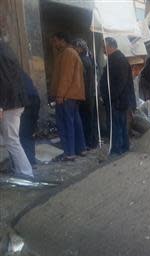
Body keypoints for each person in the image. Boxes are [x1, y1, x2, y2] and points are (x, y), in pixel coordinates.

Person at [50, 32, 87, 161]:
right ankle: (80, 148)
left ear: (62, 40)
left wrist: (60, 94)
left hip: (66, 96)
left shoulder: (67, 54)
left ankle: (69, 152)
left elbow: (65, 77)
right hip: (72, 95)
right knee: (75, 122)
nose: (54, 44)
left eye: (55, 41)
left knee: (66, 124)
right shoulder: (72, 53)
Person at [0, 41, 33, 178]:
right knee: (11, 140)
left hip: (9, 104)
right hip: (14, 102)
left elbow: (4, 81)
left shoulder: (2, 52)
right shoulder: (6, 48)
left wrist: (1, 105)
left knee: (12, 141)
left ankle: (26, 173)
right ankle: (21, 171)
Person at [100, 37, 135, 155]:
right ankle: (123, 148)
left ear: (110, 46)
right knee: (120, 125)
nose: (103, 49)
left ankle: (117, 150)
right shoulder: (116, 59)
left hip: (117, 101)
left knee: (116, 126)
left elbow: (119, 83)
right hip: (118, 100)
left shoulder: (118, 60)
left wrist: (110, 97)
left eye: (104, 47)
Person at [73, 38, 98, 149]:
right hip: (90, 93)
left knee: (86, 119)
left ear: (80, 48)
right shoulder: (88, 58)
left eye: (75, 47)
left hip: (86, 95)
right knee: (90, 119)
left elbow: (82, 80)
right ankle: (92, 142)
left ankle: (88, 142)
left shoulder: (82, 60)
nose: (74, 49)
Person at [19, 71, 40, 167]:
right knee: (30, 131)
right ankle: (31, 160)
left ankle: (28, 162)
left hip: (26, 101)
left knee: (23, 133)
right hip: (35, 99)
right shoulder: (19, 71)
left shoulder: (6, 71)